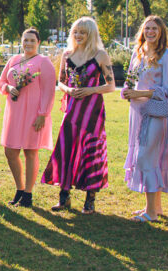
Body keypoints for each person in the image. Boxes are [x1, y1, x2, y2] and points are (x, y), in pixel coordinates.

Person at [41, 17, 115, 214]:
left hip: (92, 111)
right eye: (76, 32)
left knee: (90, 150)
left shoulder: (100, 55)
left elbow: (111, 86)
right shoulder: (67, 55)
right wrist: (69, 90)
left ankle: (90, 199)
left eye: (83, 32)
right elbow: (61, 82)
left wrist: (91, 90)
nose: (79, 35)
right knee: (66, 149)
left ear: (91, 34)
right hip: (72, 109)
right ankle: (63, 196)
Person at [122, 16, 168, 222]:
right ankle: (154, 207)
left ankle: (150, 213)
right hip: (137, 112)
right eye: (147, 28)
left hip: (155, 113)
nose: (150, 32)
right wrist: (127, 91)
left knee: (146, 157)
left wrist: (141, 93)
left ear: (161, 32)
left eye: (154, 29)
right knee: (146, 157)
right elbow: (130, 79)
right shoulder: (138, 53)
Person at [0, 28, 57, 208]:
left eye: (32, 40)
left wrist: (43, 114)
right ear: (21, 42)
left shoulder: (44, 62)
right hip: (14, 112)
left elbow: (49, 91)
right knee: (10, 151)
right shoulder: (13, 60)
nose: (28, 43)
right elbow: (1, 82)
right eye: (26, 40)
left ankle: (28, 194)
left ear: (38, 42)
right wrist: (8, 88)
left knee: (30, 152)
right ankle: (20, 188)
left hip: (33, 113)